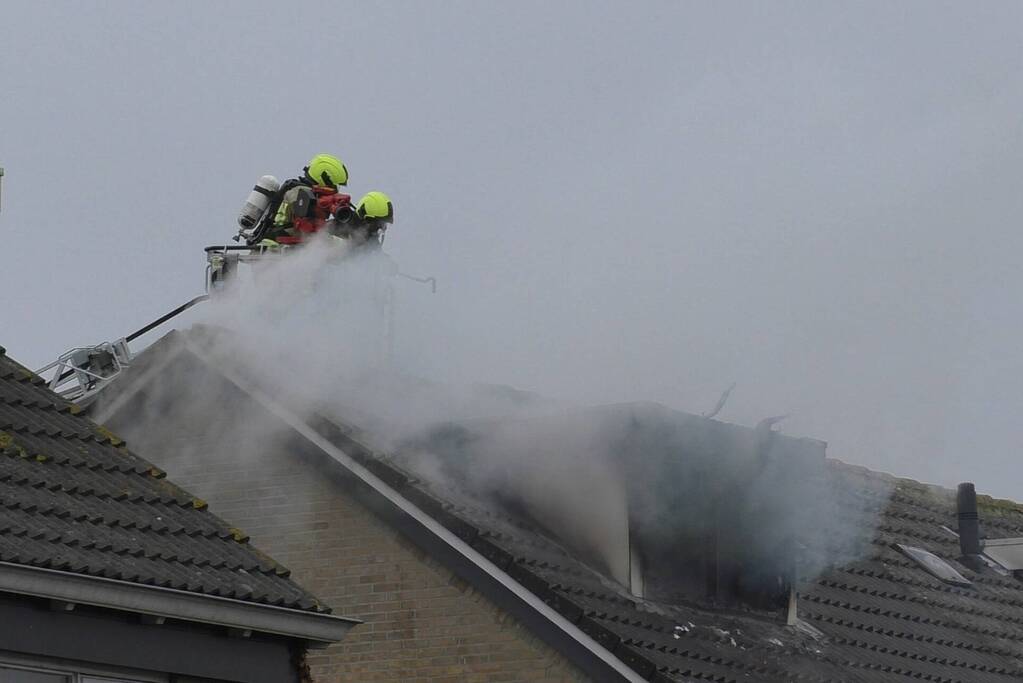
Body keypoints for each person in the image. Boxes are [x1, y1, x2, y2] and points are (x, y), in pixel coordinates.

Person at [251, 154, 353, 246]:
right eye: (336, 185)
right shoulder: (299, 192)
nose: (337, 190)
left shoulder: (307, 193)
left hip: (285, 247)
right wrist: (341, 243)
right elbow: (308, 229)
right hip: (274, 249)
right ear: (325, 178)